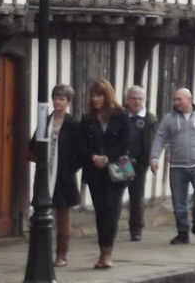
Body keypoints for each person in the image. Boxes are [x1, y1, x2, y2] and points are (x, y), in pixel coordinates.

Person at [149, 88, 195, 245]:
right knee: (178, 202)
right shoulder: (169, 119)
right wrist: (154, 158)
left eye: (179, 99)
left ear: (189, 99)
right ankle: (182, 233)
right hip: (177, 166)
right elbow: (160, 138)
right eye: (174, 99)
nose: (175, 102)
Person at [79, 79, 132, 270]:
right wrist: (92, 156)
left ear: (107, 96)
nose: (96, 99)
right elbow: (80, 144)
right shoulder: (87, 119)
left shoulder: (121, 115)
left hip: (117, 169)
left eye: (100, 95)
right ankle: (102, 250)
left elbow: (126, 141)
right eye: (93, 95)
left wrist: (108, 157)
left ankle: (108, 252)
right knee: (100, 210)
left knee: (111, 207)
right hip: (95, 171)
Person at [45, 84, 81, 268]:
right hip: (45, 173)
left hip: (63, 175)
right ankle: (43, 253)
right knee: (43, 213)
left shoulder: (73, 124)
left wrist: (69, 169)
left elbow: (79, 151)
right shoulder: (46, 120)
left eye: (61, 99)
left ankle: (61, 254)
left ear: (68, 102)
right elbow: (35, 143)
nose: (57, 102)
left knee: (62, 216)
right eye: (55, 98)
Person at [124, 85, 156, 242]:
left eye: (140, 99)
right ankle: (109, 229)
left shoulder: (150, 119)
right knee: (114, 196)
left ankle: (136, 229)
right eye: (133, 99)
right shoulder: (120, 115)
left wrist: (150, 159)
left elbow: (153, 141)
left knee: (136, 197)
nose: (136, 102)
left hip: (139, 163)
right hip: (121, 162)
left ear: (144, 100)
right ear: (127, 99)